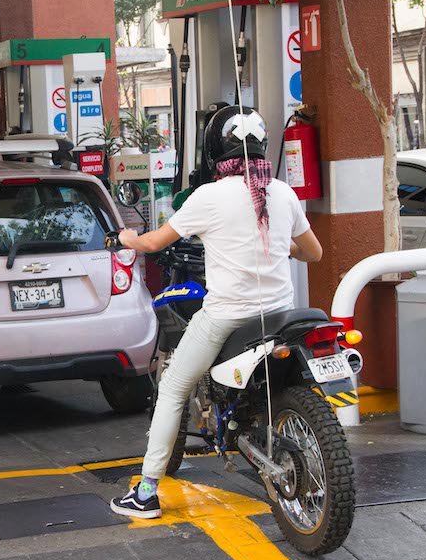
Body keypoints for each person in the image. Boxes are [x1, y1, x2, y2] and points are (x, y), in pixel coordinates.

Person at [110, 106, 323, 519]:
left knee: (173, 387)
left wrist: (128, 237)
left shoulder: (208, 197)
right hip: (281, 313)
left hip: (227, 315)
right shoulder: (282, 192)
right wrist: (280, 243)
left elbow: (155, 244)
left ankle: (147, 492)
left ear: (214, 152)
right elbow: (313, 252)